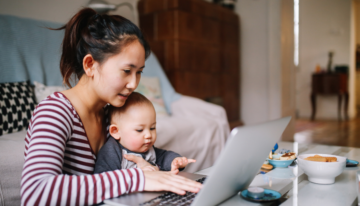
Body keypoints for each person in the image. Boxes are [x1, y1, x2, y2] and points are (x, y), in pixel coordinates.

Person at [20, 8, 202, 206]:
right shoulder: (55, 112)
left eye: (139, 72)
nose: (134, 84)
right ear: (90, 65)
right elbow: (35, 192)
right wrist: (137, 179)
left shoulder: (112, 115)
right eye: (126, 71)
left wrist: (151, 170)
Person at [94, 92, 196, 174]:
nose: (148, 135)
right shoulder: (112, 151)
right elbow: (104, 179)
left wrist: (175, 161)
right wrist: (137, 174)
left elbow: (164, 156)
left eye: (152, 128)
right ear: (116, 132)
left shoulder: (148, 149)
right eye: (139, 130)